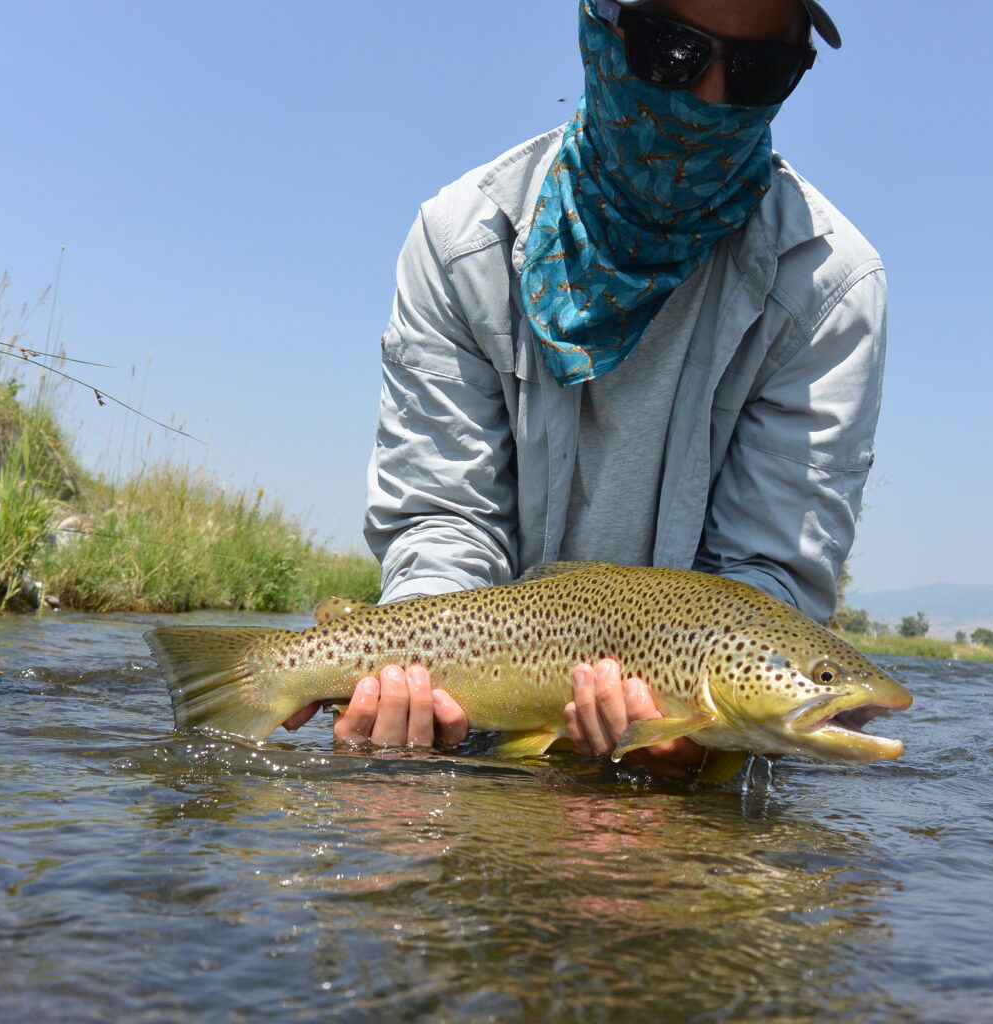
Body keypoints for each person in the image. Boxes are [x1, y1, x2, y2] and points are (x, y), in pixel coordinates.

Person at [285, 0, 886, 772]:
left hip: (698, 728)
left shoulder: (831, 290)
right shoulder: (460, 240)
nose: (706, 98)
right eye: (671, 51)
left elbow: (766, 581)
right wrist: (410, 690)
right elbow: (444, 519)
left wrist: (689, 741)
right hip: (483, 700)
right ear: (599, 28)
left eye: (756, 70)